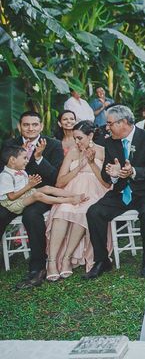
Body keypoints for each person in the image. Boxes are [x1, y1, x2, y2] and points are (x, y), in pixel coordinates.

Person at [85, 105, 145, 279]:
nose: (107, 127)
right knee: (94, 212)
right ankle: (102, 260)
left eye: (110, 123)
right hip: (121, 192)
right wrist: (113, 175)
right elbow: (106, 175)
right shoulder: (110, 141)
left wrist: (132, 171)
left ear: (124, 123)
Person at [0, 111, 64, 289]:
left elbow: (55, 178)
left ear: (41, 126)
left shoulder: (53, 145)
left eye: (34, 124)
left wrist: (38, 158)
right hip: (14, 193)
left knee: (31, 215)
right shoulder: (10, 144)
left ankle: (37, 268)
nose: (30, 128)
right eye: (26, 125)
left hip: (41, 193)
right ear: (20, 126)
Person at [46, 121, 110, 281]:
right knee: (62, 210)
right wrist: (79, 166)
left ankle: (67, 258)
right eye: (75, 138)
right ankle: (52, 261)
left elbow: (107, 183)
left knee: (85, 211)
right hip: (71, 192)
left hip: (95, 193)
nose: (77, 142)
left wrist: (91, 162)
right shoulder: (72, 153)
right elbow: (59, 182)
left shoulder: (102, 152)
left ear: (90, 135)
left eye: (80, 138)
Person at [0, 146, 86, 215]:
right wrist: (29, 186)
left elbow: (23, 187)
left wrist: (30, 182)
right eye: (24, 158)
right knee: (38, 195)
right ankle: (69, 200)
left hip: (23, 195)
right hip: (13, 204)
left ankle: (75, 195)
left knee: (47, 188)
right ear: (12, 160)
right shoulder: (5, 176)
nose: (27, 160)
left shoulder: (21, 171)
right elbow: (11, 197)